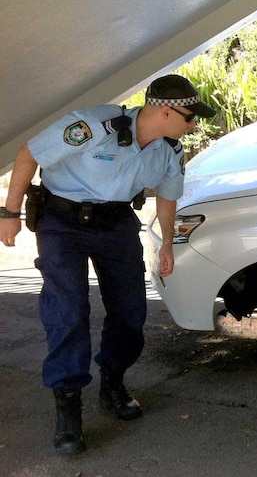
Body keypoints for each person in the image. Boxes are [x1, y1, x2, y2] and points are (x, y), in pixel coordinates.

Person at [0, 74, 215, 455]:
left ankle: (112, 382)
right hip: (62, 221)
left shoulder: (169, 149)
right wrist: (10, 212)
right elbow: (29, 153)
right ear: (166, 111)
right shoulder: (94, 126)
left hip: (115, 224)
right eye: (189, 117)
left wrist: (167, 242)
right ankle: (68, 408)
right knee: (67, 312)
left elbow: (167, 196)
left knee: (131, 311)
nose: (193, 124)